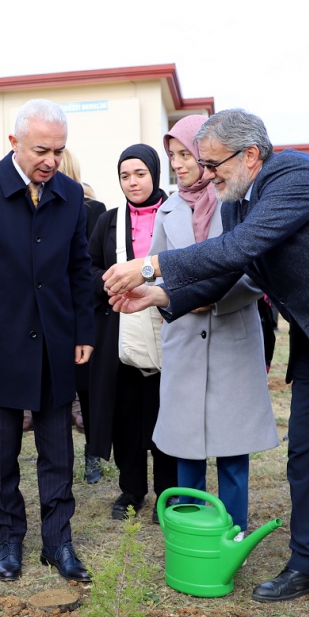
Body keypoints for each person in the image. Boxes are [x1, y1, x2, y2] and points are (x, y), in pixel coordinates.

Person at [104, 108, 309, 617]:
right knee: (306, 457)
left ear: (251, 154)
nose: (207, 174)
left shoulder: (295, 175)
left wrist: (148, 263)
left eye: (213, 164)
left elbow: (241, 247)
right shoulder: (240, 200)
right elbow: (230, 266)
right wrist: (158, 294)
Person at [0, 99, 95, 583]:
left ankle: (59, 542)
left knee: (58, 451)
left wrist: (83, 331)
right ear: (13, 143)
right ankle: (10, 537)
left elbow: (79, 268)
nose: (50, 160)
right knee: (1, 450)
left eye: (59, 150)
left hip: (54, 343)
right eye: (40, 150)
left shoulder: (70, 195)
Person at [150, 116, 278, 531]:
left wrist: (215, 297)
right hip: (185, 338)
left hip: (231, 338)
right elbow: (156, 270)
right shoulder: (166, 210)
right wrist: (172, 295)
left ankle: (233, 532)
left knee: (232, 449)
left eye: (186, 154)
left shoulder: (238, 201)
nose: (180, 165)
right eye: (174, 156)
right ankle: (189, 533)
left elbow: (257, 269)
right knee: (184, 449)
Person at [88, 145, 177, 519]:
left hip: (168, 326)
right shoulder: (108, 221)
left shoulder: (175, 215)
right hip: (119, 331)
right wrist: (109, 284)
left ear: (155, 173)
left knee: (165, 414)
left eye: (140, 173)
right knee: (125, 415)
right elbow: (87, 269)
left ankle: (167, 493)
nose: (133, 182)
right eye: (125, 175)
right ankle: (131, 490)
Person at [59, 151, 107, 484]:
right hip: (47, 311)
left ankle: (93, 454)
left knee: (86, 389)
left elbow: (88, 265)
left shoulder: (92, 210)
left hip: (80, 310)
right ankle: (60, 455)